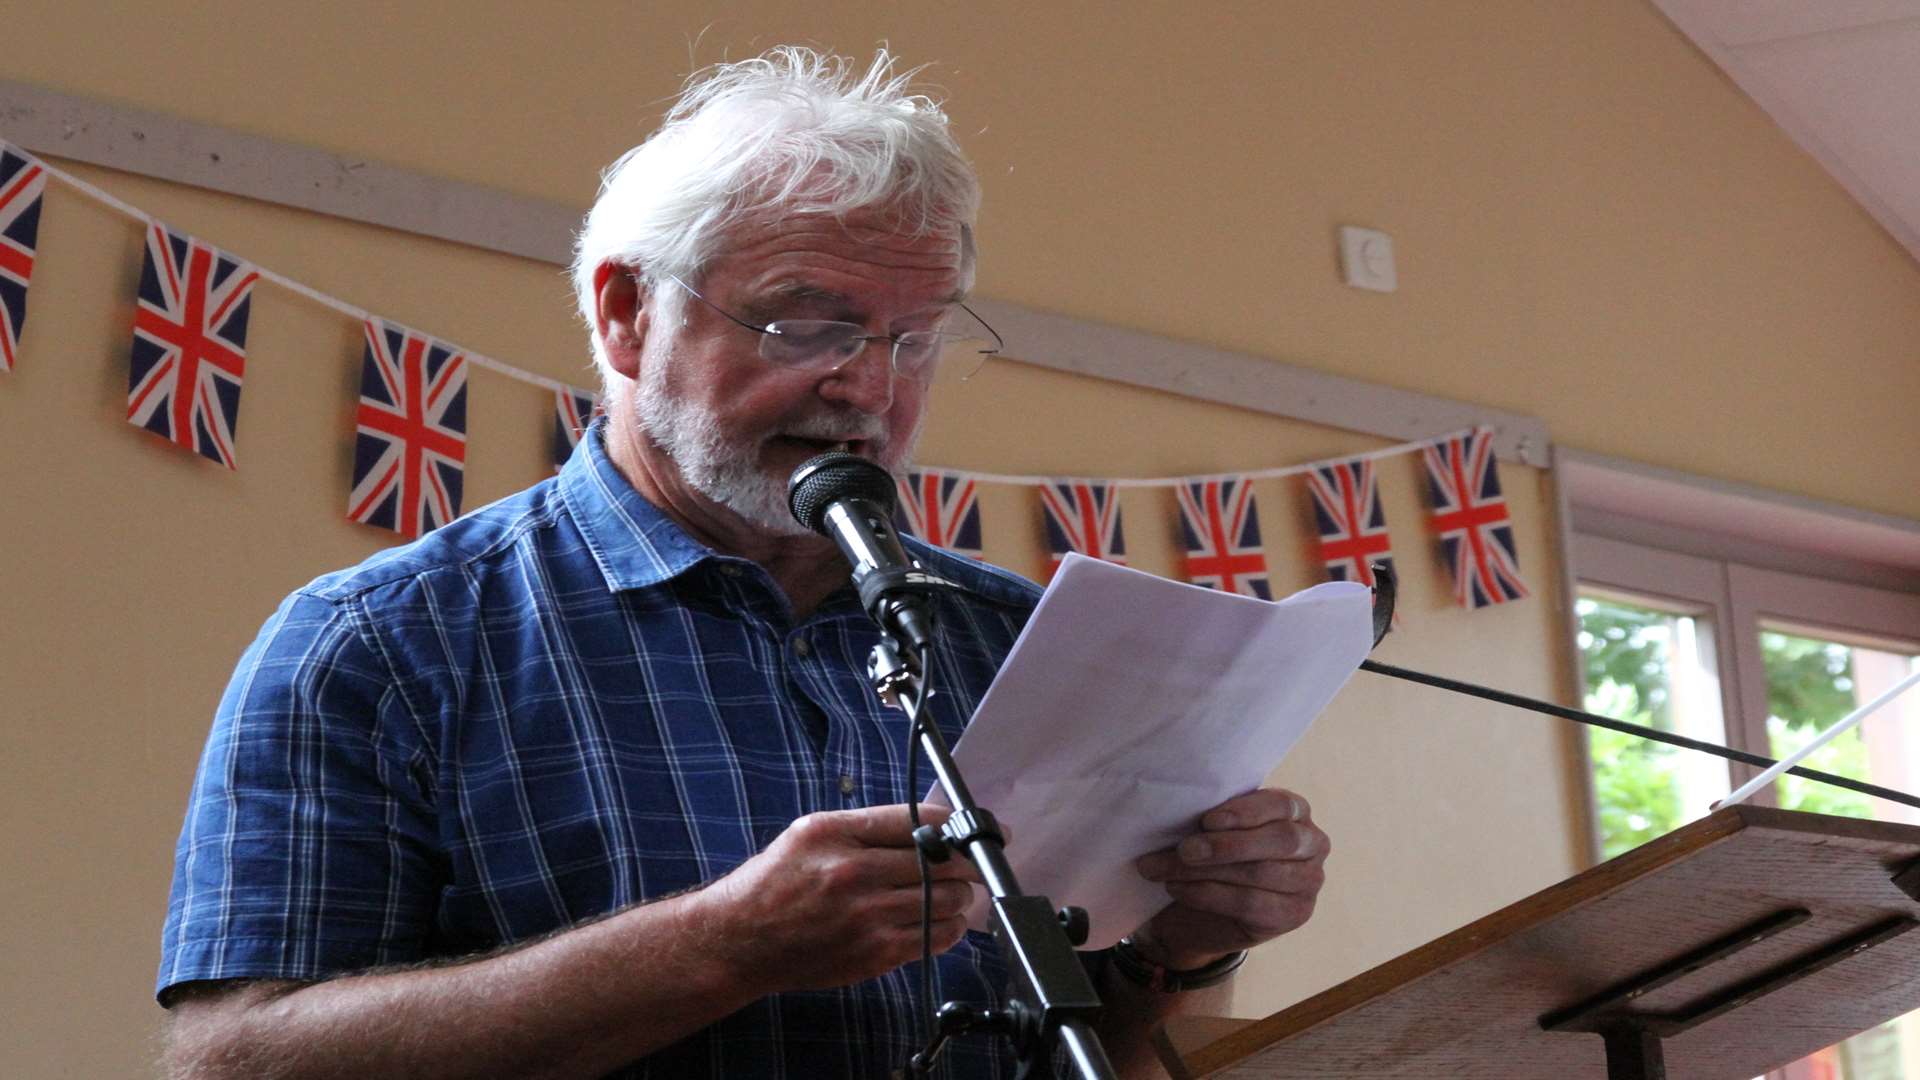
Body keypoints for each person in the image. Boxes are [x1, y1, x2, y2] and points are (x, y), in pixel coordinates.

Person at [157, 48, 1331, 1079]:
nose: (868, 387)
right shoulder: (385, 642)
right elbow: (233, 1061)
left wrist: (1184, 947)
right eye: (806, 322)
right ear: (627, 314)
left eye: (912, 337)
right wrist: (719, 948)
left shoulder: (1015, 636)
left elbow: (1095, 1050)